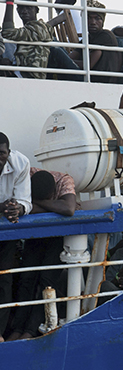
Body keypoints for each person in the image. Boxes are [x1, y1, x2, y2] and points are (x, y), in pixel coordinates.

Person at [7, 168, 76, 341]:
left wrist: (34, 203)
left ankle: (30, 330)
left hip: (57, 235)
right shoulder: (25, 174)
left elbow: (68, 209)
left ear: (54, 193)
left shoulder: (64, 181)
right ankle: (17, 329)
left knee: (46, 282)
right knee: (27, 278)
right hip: (35, 233)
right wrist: (51, 206)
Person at [0, 132, 30, 342]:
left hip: (6, 231)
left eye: (1, 153)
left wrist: (17, 208)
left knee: (4, 280)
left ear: (8, 153)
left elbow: (25, 200)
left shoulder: (20, 163)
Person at [0, 0, 53, 79]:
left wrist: (10, 3)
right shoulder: (27, 30)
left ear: (37, 10)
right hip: (21, 73)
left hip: (29, 77)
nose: (24, 11)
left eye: (29, 8)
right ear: (17, 10)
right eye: (21, 7)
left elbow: (7, 32)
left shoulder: (39, 28)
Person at [68, 0, 121, 83]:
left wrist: (65, 61)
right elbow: (72, 56)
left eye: (97, 19)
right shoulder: (88, 38)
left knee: (56, 52)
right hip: (90, 78)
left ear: (102, 21)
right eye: (89, 18)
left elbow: (88, 65)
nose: (93, 22)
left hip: (100, 80)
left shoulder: (105, 35)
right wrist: (65, 60)